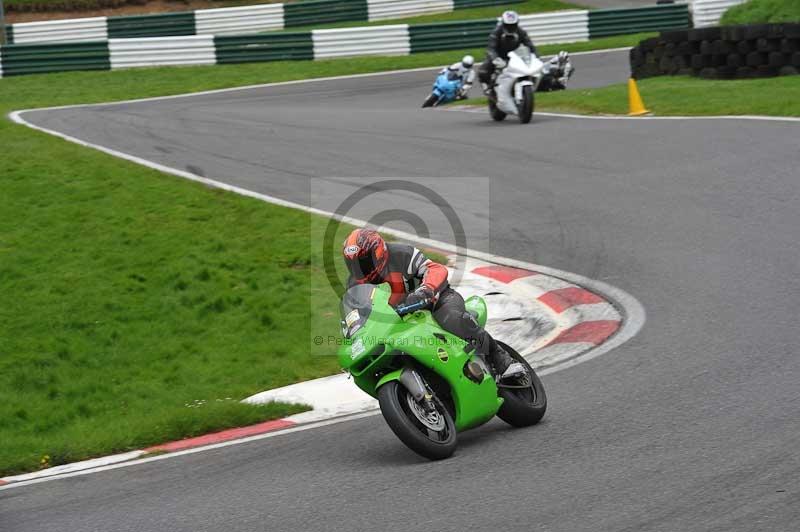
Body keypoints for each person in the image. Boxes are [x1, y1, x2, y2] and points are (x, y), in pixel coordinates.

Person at [342, 228, 519, 377]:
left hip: (435, 300)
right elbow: (355, 314)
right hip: (400, 321)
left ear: (378, 253)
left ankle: (500, 358)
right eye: (353, 265)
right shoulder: (355, 284)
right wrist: (351, 332)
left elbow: (435, 269)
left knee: (453, 319)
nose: (359, 269)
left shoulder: (402, 254)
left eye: (363, 262)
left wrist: (426, 289)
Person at [477, 10, 538, 96]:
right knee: (484, 70)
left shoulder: (521, 32)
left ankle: (530, 89)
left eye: (513, 25)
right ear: (503, 24)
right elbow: (491, 48)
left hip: (514, 57)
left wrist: (535, 57)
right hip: (498, 56)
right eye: (508, 25)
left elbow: (530, 46)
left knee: (531, 70)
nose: (511, 28)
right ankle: (487, 86)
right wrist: (495, 59)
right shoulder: (496, 32)